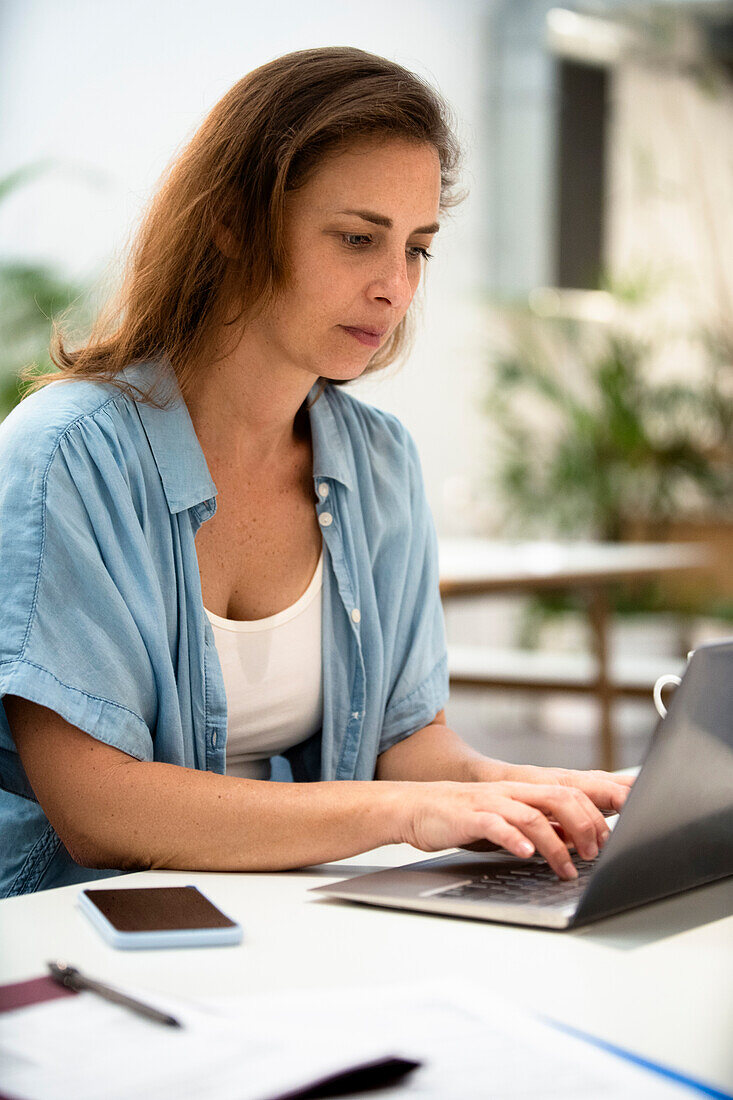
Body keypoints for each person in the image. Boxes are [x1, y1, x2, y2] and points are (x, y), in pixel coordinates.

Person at [0, 46, 633, 898]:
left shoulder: (378, 462)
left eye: (416, 248)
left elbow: (408, 745)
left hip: (289, 921)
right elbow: (98, 810)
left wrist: (517, 792)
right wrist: (397, 814)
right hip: (76, 940)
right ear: (230, 221)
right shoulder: (67, 455)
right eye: (357, 239)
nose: (394, 288)